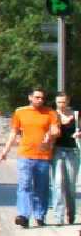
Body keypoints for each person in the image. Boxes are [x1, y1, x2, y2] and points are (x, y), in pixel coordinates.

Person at [0, 87, 59, 228]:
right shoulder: (20, 112)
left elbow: (56, 130)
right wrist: (5, 151)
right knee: (24, 185)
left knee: (41, 188)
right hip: (25, 155)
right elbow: (13, 133)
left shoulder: (50, 112)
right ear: (30, 98)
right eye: (37, 97)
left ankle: (39, 215)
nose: (40, 100)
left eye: (42, 98)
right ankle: (23, 216)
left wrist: (50, 135)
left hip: (43, 156)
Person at [49, 92, 79, 225]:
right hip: (57, 151)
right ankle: (58, 217)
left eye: (64, 102)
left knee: (70, 185)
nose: (61, 104)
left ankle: (71, 214)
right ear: (56, 102)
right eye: (59, 102)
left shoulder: (76, 115)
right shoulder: (52, 115)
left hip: (73, 151)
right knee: (58, 184)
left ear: (68, 101)